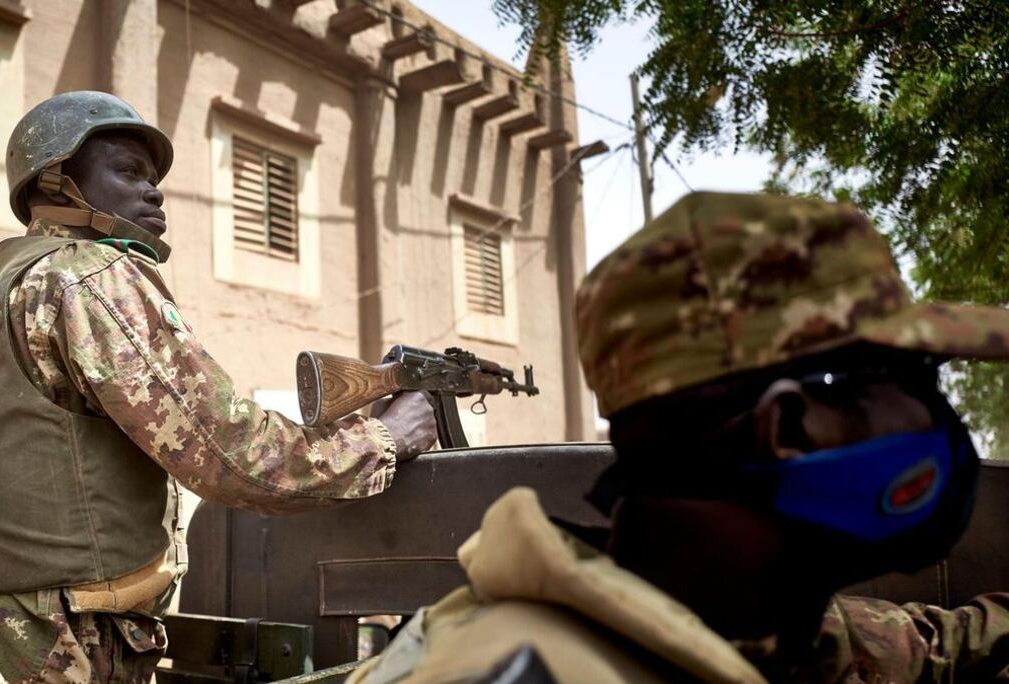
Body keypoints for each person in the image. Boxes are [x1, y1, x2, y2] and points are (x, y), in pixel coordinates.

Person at [0, 91, 437, 683]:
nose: (154, 190)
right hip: (54, 651)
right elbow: (231, 452)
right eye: (127, 171)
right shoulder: (89, 277)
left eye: (154, 178)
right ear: (54, 183)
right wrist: (383, 438)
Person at [349, 192, 1009, 683]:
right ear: (785, 428)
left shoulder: (733, 617)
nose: (936, 415)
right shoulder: (535, 668)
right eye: (913, 376)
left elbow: (925, 649)